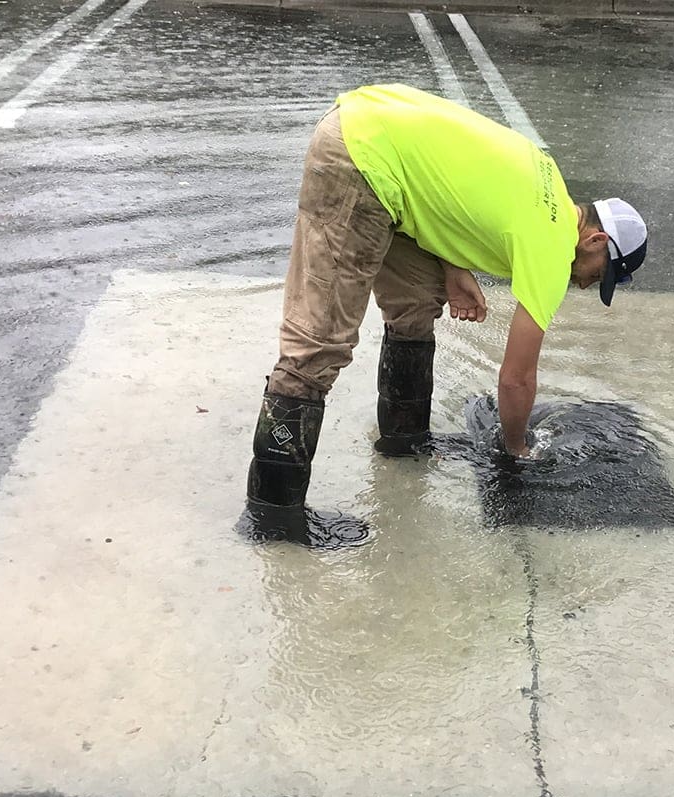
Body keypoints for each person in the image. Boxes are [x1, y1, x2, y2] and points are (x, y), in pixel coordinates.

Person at [244, 83, 648, 545]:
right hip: (362, 158)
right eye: (600, 275)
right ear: (595, 241)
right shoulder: (554, 250)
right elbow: (516, 378)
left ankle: (404, 439)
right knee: (317, 345)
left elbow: (450, 188)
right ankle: (273, 517)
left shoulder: (549, 183)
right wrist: (516, 447)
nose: (587, 284)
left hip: (381, 139)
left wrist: (454, 268)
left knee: (416, 304)